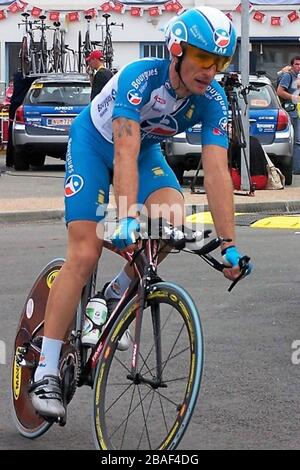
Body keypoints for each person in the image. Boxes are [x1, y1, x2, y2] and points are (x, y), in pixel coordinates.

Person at [29, 6, 251, 419]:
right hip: (96, 145)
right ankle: (45, 369)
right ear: (177, 50)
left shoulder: (212, 99)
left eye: (218, 63)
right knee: (84, 252)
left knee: (173, 225)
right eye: (203, 58)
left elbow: (218, 171)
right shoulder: (139, 78)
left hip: (145, 151)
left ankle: (116, 291)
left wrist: (231, 245)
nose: (210, 71)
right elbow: (123, 149)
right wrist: (127, 215)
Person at [5, 72, 35, 167]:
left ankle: (10, 160)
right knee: (16, 132)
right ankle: (12, 159)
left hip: (16, 104)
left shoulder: (18, 76)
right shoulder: (28, 77)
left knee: (13, 132)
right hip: (21, 105)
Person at [277, 56, 300, 175]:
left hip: (298, 112)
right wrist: (293, 97)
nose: (298, 67)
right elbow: (279, 91)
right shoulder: (288, 76)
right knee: (295, 142)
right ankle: (295, 169)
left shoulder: (298, 77)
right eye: (296, 64)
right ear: (291, 66)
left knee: (297, 142)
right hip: (291, 112)